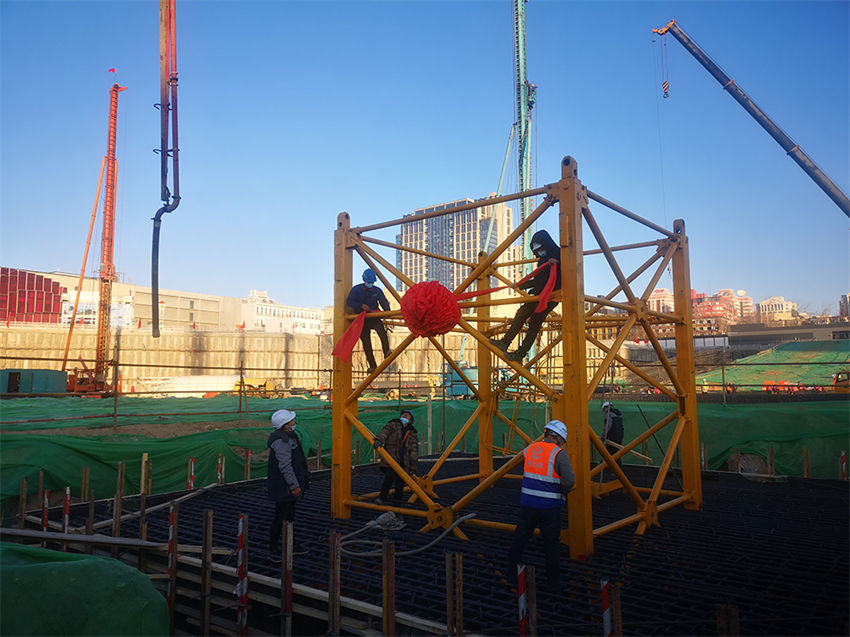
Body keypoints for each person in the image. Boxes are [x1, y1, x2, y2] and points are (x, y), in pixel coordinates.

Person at [507, 420, 575, 591]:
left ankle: (510, 575)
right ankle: (553, 582)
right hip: (549, 507)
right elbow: (569, 481)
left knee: (520, 539)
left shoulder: (529, 449)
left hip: (527, 504)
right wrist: (563, 492)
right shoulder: (559, 454)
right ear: (558, 438)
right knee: (551, 544)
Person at [490, 230, 561, 362]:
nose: (540, 252)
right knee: (522, 314)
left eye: (541, 248)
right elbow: (537, 280)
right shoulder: (543, 261)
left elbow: (561, 275)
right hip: (538, 295)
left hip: (550, 296)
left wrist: (557, 263)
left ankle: (519, 353)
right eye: (538, 250)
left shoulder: (560, 254)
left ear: (547, 244)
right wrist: (520, 285)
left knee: (534, 323)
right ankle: (505, 343)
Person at [267, 409, 310, 561]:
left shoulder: (289, 436)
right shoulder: (281, 441)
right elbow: (285, 466)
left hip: (288, 486)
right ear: (285, 425)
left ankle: (289, 543)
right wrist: (294, 486)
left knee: (289, 516)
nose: (294, 423)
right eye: (291, 421)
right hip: (284, 487)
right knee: (281, 516)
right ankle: (273, 549)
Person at [346, 268, 391, 373]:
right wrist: (361, 306)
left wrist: (387, 311)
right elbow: (349, 301)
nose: (370, 284)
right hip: (362, 319)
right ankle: (372, 365)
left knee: (382, 333)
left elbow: (383, 301)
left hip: (373, 316)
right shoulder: (356, 290)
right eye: (369, 282)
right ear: (364, 280)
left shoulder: (377, 290)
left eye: (372, 282)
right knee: (366, 342)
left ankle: (387, 352)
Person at [372, 409, 419, 505]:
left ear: (410, 421)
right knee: (389, 476)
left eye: (407, 415)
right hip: (391, 458)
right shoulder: (393, 425)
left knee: (400, 484)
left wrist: (413, 467)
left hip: (403, 461)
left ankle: (397, 504)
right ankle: (381, 498)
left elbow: (413, 451)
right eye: (403, 415)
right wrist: (379, 440)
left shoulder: (412, 433)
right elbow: (385, 432)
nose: (405, 416)